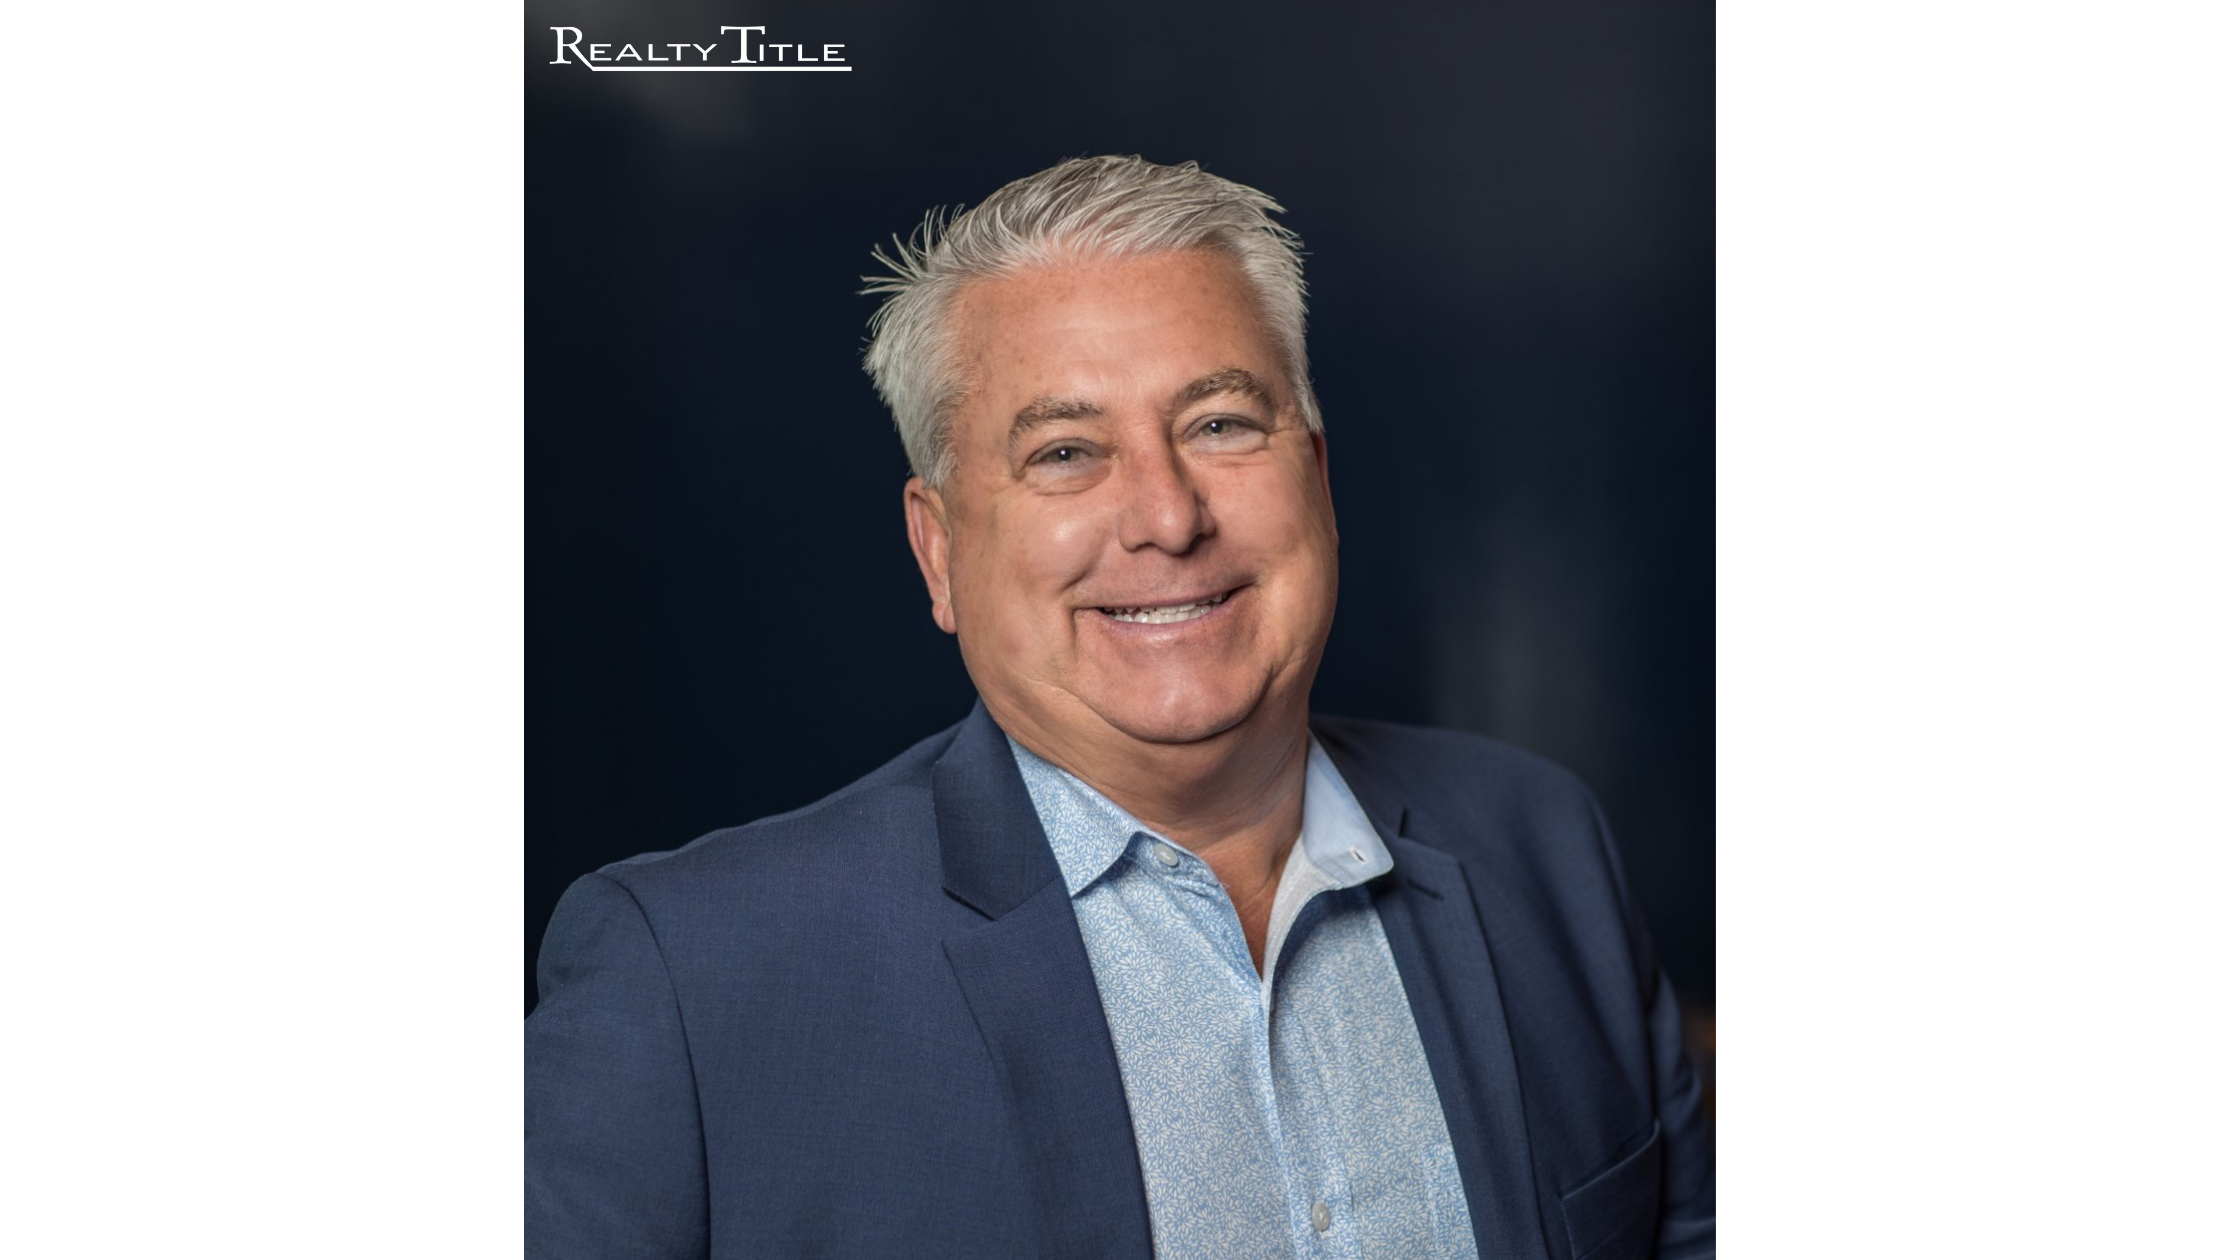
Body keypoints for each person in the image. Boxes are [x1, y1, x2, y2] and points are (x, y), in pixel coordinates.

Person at [526, 155, 1714, 1260]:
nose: (1167, 515)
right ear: (938, 552)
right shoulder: (689, 982)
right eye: (1063, 453)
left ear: (1316, 478)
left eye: (1219, 425)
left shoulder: (1539, 845)